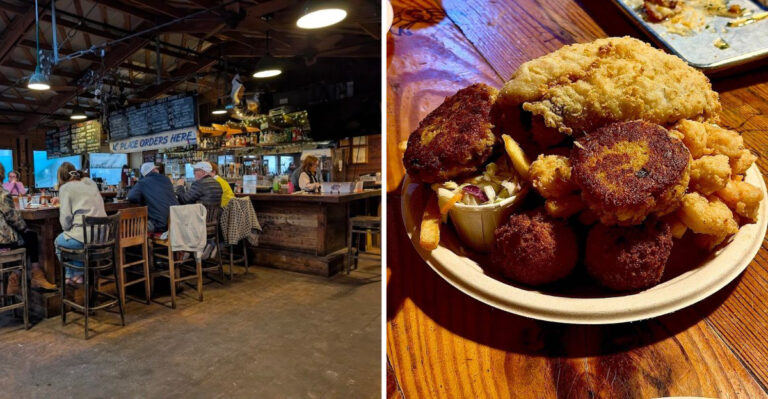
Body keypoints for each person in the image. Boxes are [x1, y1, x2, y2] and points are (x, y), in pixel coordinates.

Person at [0, 164, 57, 294]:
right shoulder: (2, 194)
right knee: (30, 235)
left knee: (26, 237)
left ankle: (15, 277)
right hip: (3, 244)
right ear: (2, 175)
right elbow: (13, 218)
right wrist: (24, 228)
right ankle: (29, 276)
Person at [54, 162, 107, 285]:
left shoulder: (65, 188)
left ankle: (71, 275)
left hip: (86, 238)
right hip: (104, 237)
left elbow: (65, 222)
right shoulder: (91, 183)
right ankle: (76, 276)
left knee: (60, 241)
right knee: (77, 239)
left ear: (61, 177)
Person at [127, 162, 179, 233]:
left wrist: (143, 199)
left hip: (159, 224)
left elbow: (131, 197)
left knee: (130, 228)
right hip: (175, 221)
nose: (157, 170)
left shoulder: (142, 183)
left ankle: (142, 244)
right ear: (154, 170)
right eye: (156, 168)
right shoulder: (166, 179)